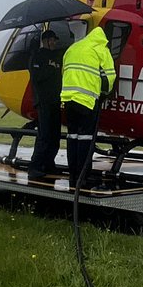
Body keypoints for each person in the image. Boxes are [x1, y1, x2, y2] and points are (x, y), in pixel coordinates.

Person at [59, 25, 116, 188]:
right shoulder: (101, 50)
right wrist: (104, 92)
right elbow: (109, 78)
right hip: (87, 101)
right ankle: (83, 176)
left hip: (68, 99)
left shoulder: (73, 48)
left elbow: (64, 72)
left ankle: (73, 174)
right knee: (85, 139)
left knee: (72, 137)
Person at [27, 29, 64, 183]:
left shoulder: (55, 56)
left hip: (55, 100)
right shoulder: (38, 56)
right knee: (44, 135)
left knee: (55, 135)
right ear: (46, 41)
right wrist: (50, 69)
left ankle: (49, 163)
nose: (55, 42)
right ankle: (34, 166)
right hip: (43, 101)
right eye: (53, 40)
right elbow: (37, 77)